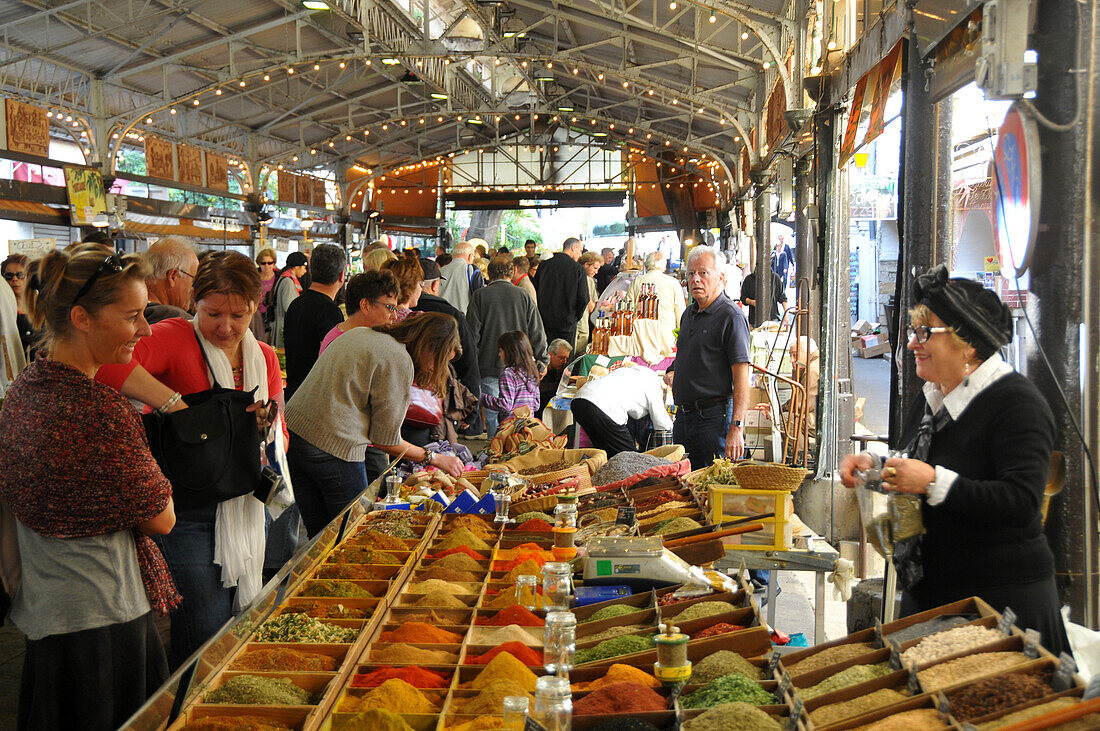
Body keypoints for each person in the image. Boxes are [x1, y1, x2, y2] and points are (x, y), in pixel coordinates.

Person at [839, 265, 1069, 656]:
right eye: (914, 333)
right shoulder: (933, 397)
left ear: (969, 343)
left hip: (1001, 608)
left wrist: (932, 482)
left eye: (926, 333)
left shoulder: (1017, 403)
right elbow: (916, 461)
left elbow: (1021, 502)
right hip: (936, 598)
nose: (913, 344)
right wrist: (875, 466)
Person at [0, 245, 178, 729]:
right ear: (81, 316)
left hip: (46, 608)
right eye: (133, 316)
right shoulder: (100, 410)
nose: (144, 330)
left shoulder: (24, 390)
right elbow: (162, 518)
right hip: (105, 615)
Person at [97, 251, 285, 664]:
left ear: (256, 307)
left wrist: (261, 432)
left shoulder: (265, 357)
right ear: (194, 303)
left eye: (239, 314)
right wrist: (173, 403)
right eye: (213, 312)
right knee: (204, 626)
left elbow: (279, 434)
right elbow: (105, 367)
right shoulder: (172, 336)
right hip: (186, 510)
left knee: (240, 621)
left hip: (243, 504)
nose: (226, 326)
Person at [286, 312, 465, 535]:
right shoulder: (398, 358)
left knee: (319, 537)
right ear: (429, 346)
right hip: (333, 446)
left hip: (294, 433)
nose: (433, 369)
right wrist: (436, 458)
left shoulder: (364, 332)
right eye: (439, 362)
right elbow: (386, 441)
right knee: (352, 534)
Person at [664, 245, 750, 468]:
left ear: (721, 277)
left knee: (712, 487)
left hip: (714, 419)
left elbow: (742, 377)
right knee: (686, 488)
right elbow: (689, 354)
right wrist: (673, 370)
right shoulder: (688, 314)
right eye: (691, 274)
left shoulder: (731, 316)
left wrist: (737, 427)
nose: (696, 279)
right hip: (684, 418)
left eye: (703, 273)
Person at [467, 256, 549, 435]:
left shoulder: (480, 295)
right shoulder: (523, 295)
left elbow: (472, 334)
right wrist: (542, 360)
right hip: (521, 366)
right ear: (512, 272)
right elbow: (537, 331)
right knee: (518, 416)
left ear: (489, 273)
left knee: (492, 416)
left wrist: (469, 366)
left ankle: (494, 450)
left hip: (487, 365)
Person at [413, 258, 481, 402]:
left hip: (406, 402)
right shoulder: (452, 315)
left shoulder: (399, 310)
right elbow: (469, 365)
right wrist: (470, 412)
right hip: (441, 399)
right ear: (435, 285)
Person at [283, 243, 346, 399]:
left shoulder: (296, 304)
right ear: (341, 276)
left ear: (311, 271)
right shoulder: (331, 312)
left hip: (292, 395)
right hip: (314, 400)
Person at [571, 363, 673, 457]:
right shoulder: (653, 384)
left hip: (579, 400)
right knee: (629, 458)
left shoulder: (627, 372)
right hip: (603, 407)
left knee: (603, 453)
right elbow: (662, 423)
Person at [319, 270, 401, 354]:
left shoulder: (353, 338)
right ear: (365, 305)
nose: (395, 316)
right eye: (390, 307)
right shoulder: (344, 345)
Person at [533, 237, 590, 346]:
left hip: (546, 321)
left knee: (548, 355)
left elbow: (535, 291)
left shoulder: (544, 266)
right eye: (580, 251)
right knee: (566, 357)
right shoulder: (577, 269)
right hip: (567, 321)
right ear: (573, 247)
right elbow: (583, 297)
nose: (580, 255)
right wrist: (575, 317)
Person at [480, 330, 541, 426]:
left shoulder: (508, 374)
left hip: (510, 428)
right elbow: (536, 405)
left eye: (501, 351)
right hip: (527, 427)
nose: (499, 354)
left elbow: (506, 405)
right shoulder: (532, 372)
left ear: (510, 352)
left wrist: (481, 398)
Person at [626, 250, 687, 336]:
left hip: (642, 332)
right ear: (664, 265)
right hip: (666, 333)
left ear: (647, 265)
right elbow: (680, 312)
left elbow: (629, 308)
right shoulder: (673, 282)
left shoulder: (637, 281)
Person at [141, 237, 198, 324]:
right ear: (173, 276)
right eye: (194, 279)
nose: (195, 289)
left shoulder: (127, 313)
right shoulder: (179, 321)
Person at [269, 251, 308, 347]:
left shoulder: (283, 277)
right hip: (284, 327)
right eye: (304, 267)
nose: (305, 271)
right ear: (296, 267)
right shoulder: (288, 282)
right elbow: (289, 307)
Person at [1, 254, 35, 355]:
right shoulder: (3, 311)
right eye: (9, 276)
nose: (15, 279)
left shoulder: (40, 306)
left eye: (20, 275)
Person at [438, 240, 485, 313]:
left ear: (453, 256)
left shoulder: (440, 271)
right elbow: (479, 298)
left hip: (442, 316)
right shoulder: (472, 270)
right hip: (463, 317)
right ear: (470, 256)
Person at [381, 257, 423, 321]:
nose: (421, 288)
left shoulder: (378, 316)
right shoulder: (418, 320)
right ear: (410, 286)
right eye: (420, 283)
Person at [574, 251, 601, 354]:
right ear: (586, 264)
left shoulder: (573, 275)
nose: (596, 272)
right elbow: (591, 306)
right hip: (582, 324)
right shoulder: (588, 280)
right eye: (595, 268)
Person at [539, 339, 573, 417]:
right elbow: (541, 389)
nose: (564, 361)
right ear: (550, 354)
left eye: (566, 359)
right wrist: (563, 383)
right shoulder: (541, 369)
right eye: (561, 358)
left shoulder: (559, 368)